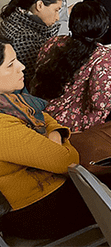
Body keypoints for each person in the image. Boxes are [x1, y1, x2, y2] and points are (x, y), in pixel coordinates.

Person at [0, 38, 95, 240]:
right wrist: (60, 141)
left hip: (46, 188)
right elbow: (68, 161)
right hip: (35, 209)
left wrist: (56, 134)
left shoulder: (10, 99)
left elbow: (45, 116)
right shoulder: (2, 124)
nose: (22, 67)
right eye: (11, 64)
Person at [30, 0, 111, 132]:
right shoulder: (104, 57)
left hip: (40, 117)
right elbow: (101, 102)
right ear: (104, 27)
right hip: (74, 129)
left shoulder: (52, 43)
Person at [0, 0, 63, 87]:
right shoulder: (23, 37)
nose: (57, 17)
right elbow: (40, 81)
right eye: (56, 10)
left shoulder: (14, 22)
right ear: (39, 5)